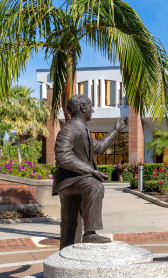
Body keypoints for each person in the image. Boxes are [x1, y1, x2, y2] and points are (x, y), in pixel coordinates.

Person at [53, 94, 127, 249]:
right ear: (82, 108)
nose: (92, 110)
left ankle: (65, 258)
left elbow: (99, 148)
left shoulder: (83, 130)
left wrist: (115, 130)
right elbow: (63, 157)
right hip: (69, 181)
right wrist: (91, 171)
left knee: (70, 223)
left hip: (77, 180)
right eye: (91, 106)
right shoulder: (69, 130)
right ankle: (90, 233)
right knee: (95, 186)